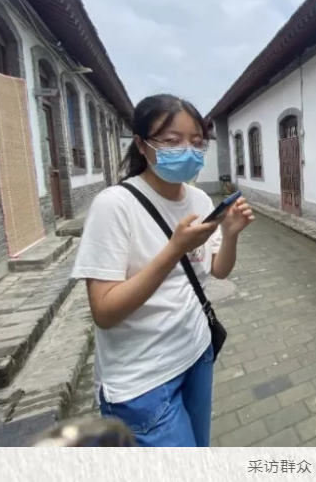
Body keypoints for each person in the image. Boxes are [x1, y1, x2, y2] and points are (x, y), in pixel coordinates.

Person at [71, 93, 254, 447]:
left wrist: (230, 234)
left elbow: (218, 270)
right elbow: (104, 312)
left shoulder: (199, 199)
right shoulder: (114, 206)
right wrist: (174, 250)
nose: (187, 150)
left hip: (196, 353)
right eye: (172, 141)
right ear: (142, 144)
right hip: (142, 382)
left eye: (197, 142)